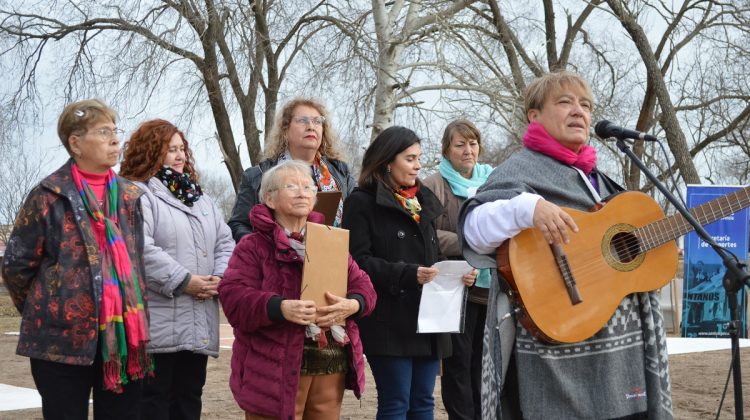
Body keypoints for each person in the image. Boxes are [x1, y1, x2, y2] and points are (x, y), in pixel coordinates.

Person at [459, 71, 673, 419]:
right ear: (534, 115)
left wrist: (655, 248)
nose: (579, 111)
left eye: (586, 105)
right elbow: (473, 229)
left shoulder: (601, 183)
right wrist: (526, 208)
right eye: (565, 102)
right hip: (555, 364)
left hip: (620, 362)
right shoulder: (520, 168)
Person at [2, 99, 152, 419]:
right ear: (76, 143)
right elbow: (16, 266)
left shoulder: (131, 196)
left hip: (123, 339)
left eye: (115, 130)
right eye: (103, 131)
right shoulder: (47, 195)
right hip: (60, 344)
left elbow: (138, 262)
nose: (115, 139)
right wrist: (48, 306)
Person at [218, 160, 376, 420]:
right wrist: (279, 307)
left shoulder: (330, 240)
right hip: (272, 371)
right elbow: (233, 298)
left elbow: (364, 287)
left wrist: (353, 305)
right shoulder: (253, 246)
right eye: (291, 186)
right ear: (269, 198)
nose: (303, 192)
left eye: (308, 187)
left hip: (329, 364)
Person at [342, 126, 476, 420]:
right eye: (410, 158)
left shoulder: (422, 200)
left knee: (423, 404)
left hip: (429, 318)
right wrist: (407, 274)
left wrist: (456, 274)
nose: (417, 165)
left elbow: (433, 255)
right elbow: (356, 262)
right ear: (388, 161)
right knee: (396, 403)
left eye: (418, 158)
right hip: (389, 319)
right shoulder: (361, 202)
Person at [119, 119, 235, 420]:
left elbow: (225, 241)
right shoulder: (137, 194)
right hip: (157, 324)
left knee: (188, 399)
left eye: (182, 148)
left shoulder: (202, 200)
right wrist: (185, 281)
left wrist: (218, 278)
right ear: (150, 152)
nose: (180, 156)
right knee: (153, 403)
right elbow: (139, 249)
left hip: (198, 321)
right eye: (171, 150)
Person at [422, 119, 492, 420]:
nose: (468, 150)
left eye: (473, 143)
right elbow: (426, 235)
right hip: (454, 289)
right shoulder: (432, 184)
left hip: (494, 287)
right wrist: (470, 242)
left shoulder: (494, 179)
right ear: (446, 150)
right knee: (459, 364)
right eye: (459, 144)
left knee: (484, 365)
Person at [228, 98, 356, 241]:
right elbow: (238, 225)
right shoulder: (257, 176)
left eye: (317, 121)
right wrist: (264, 249)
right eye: (302, 120)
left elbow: (358, 222)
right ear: (285, 129)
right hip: (273, 260)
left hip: (331, 258)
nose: (311, 127)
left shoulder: (341, 173)